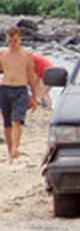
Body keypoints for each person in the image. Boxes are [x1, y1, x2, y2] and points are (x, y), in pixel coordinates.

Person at [0, 27, 42, 159]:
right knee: (7, 122)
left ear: (20, 39)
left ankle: (15, 148)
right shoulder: (2, 53)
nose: (12, 43)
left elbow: (31, 76)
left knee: (16, 120)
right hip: (5, 88)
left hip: (20, 89)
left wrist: (34, 97)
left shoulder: (26, 55)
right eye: (10, 40)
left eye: (15, 40)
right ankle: (10, 149)